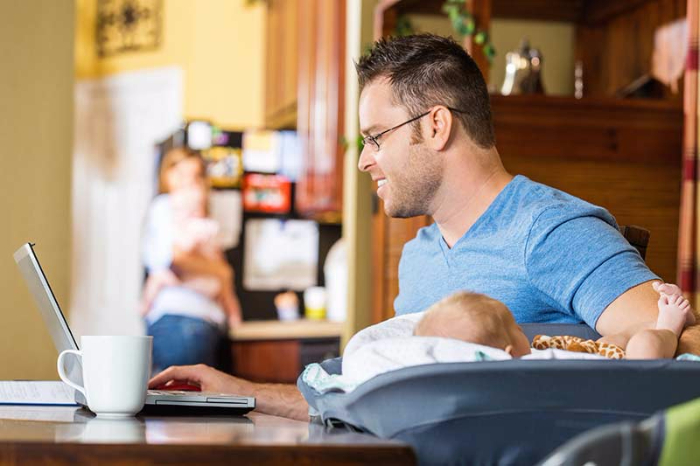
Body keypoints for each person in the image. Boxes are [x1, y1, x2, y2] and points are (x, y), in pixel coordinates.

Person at [148, 34, 700, 421]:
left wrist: (523, 360)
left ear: (436, 125)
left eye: (375, 137)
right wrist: (237, 392)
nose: (364, 161)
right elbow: (376, 396)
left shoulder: (549, 231)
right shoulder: (421, 255)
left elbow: (687, 347)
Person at [142, 147, 242, 374]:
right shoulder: (166, 205)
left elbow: (221, 271)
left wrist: (220, 273)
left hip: (198, 323)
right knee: (183, 398)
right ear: (167, 174)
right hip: (184, 321)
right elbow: (175, 258)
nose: (188, 182)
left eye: (195, 176)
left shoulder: (203, 220)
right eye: (181, 173)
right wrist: (219, 272)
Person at [414, 284, 695, 360]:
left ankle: (676, 320)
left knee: (612, 341)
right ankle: (670, 325)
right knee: (645, 347)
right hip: (627, 373)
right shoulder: (529, 370)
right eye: (515, 328)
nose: (522, 329)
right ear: (509, 354)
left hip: (605, 357)